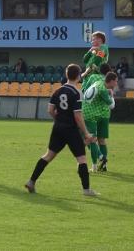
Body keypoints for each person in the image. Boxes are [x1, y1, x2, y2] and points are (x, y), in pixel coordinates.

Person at [24, 64, 98, 196]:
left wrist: (58, 119)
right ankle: (86, 190)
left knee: (48, 155)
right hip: (70, 129)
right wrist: (86, 133)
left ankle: (31, 181)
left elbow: (50, 110)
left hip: (57, 127)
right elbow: (78, 116)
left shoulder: (57, 91)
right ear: (78, 76)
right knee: (81, 159)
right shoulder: (77, 93)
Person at [83, 71, 118, 172]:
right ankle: (100, 161)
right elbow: (112, 105)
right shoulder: (103, 89)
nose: (116, 84)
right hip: (91, 114)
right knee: (92, 139)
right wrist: (111, 94)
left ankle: (97, 164)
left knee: (90, 139)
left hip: (89, 112)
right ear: (110, 81)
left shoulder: (99, 82)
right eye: (115, 81)